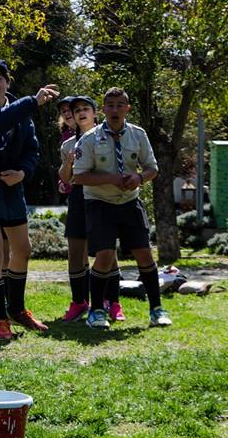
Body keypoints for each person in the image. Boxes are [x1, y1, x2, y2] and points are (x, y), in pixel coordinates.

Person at [0, 57, 59, 340]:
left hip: (12, 193)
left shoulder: (22, 113)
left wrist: (22, 173)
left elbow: (32, 150)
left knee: (23, 249)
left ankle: (16, 309)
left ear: (8, 82)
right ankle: (0, 321)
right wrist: (32, 101)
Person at [72, 87, 172, 329]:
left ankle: (156, 310)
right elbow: (79, 176)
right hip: (99, 203)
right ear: (103, 109)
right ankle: (97, 311)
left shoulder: (138, 135)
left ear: (127, 108)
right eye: (110, 105)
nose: (115, 110)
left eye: (120, 105)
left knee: (144, 253)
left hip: (129, 202)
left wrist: (139, 178)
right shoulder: (89, 139)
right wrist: (111, 179)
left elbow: (152, 167)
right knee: (105, 255)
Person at [59, 95, 126, 322]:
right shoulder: (68, 145)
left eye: (85, 108)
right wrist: (68, 163)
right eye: (76, 110)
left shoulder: (109, 137)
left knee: (107, 251)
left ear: (95, 113)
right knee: (75, 252)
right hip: (78, 197)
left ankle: (113, 302)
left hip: (102, 197)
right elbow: (65, 178)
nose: (81, 113)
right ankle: (79, 302)